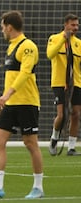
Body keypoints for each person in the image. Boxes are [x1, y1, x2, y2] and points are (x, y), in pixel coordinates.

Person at [0, 11, 44, 199]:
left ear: (9, 27)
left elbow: (25, 73)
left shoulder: (28, 46)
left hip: (27, 103)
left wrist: (6, 95)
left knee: (30, 143)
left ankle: (38, 187)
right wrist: (6, 99)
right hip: (11, 103)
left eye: (3, 26)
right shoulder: (11, 47)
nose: (2, 30)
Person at [47, 14, 81, 156]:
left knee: (76, 114)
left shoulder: (78, 43)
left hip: (77, 83)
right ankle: (54, 138)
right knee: (61, 115)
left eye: (77, 25)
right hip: (60, 82)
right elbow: (50, 54)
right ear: (66, 24)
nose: (76, 28)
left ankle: (71, 148)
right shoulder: (54, 38)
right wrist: (63, 39)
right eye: (73, 25)